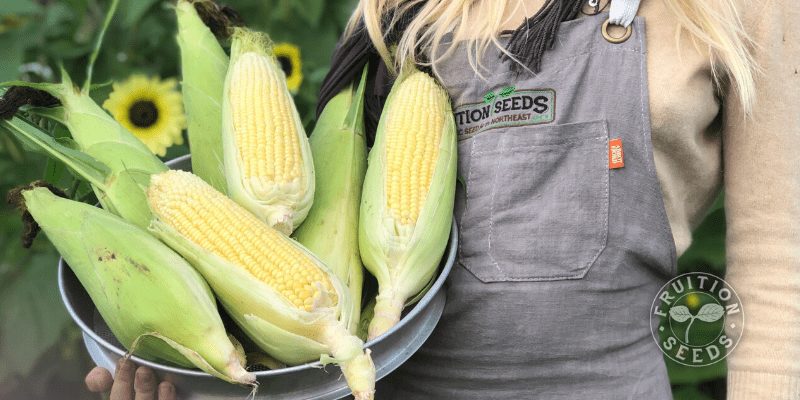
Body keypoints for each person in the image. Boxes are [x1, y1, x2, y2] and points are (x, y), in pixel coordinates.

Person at [87, 0, 799, 398]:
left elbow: (776, 266)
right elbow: (320, 255)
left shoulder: (739, 10)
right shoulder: (396, 10)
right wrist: (197, 365)